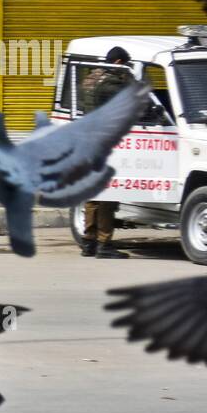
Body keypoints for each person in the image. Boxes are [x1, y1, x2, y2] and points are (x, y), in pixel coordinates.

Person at [79, 46, 133, 259]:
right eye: (124, 66)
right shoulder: (111, 83)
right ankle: (104, 244)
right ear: (119, 62)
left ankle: (88, 242)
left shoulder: (89, 80)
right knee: (108, 195)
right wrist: (130, 76)